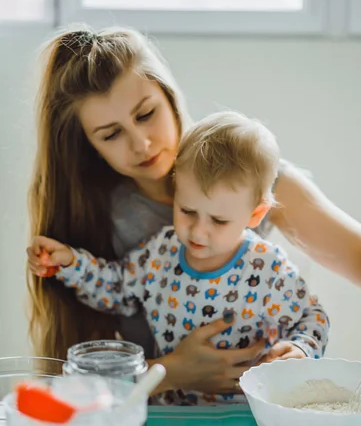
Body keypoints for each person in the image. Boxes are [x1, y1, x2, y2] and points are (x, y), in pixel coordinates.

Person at [26, 26, 361, 397]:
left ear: (168, 96)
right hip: (160, 415)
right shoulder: (104, 221)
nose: (141, 144)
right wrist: (172, 372)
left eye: (146, 114)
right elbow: (84, 385)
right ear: (87, 144)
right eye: (111, 134)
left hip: (251, 414)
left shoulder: (250, 177)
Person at [28, 111, 330, 404]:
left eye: (219, 221)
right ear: (177, 191)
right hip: (171, 412)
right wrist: (70, 263)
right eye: (187, 211)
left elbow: (312, 316)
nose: (198, 231)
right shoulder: (161, 253)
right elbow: (115, 287)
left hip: (248, 417)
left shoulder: (268, 266)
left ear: (255, 215)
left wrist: (302, 348)